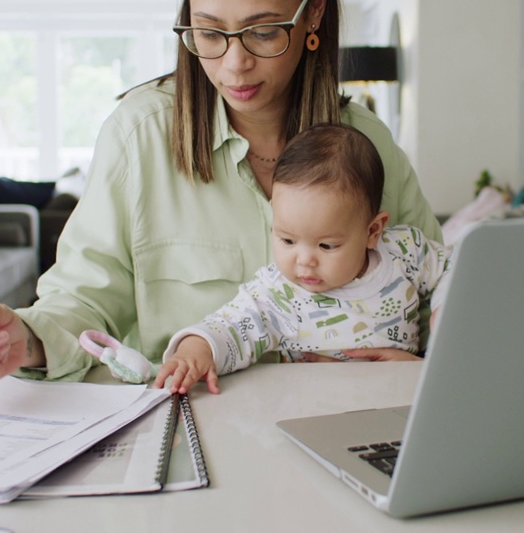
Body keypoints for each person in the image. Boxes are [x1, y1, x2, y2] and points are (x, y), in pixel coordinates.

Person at [0, 0, 442, 390]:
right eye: (209, 32)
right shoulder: (139, 136)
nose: (233, 64)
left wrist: (427, 363)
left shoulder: (368, 142)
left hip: (352, 422)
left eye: (264, 32)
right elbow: (81, 303)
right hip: (188, 429)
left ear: (315, 10)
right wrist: (24, 339)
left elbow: (446, 294)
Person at [154, 124, 451, 395]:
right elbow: (231, 327)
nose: (304, 261)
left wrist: (445, 309)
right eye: (287, 240)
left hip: (401, 404)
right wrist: (196, 350)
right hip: (309, 413)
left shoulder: (404, 252)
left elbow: (457, 269)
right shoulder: (279, 293)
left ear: (372, 231)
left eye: (326, 245)